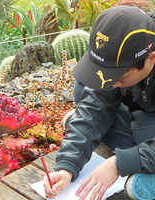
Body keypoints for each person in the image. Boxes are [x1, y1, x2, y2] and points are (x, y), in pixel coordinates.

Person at [43, 5, 155, 200]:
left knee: (141, 128)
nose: (113, 82)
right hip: (141, 109)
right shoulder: (122, 48)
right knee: (85, 91)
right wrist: (67, 165)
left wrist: (119, 163)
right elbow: (94, 107)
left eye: (119, 76)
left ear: (151, 59)